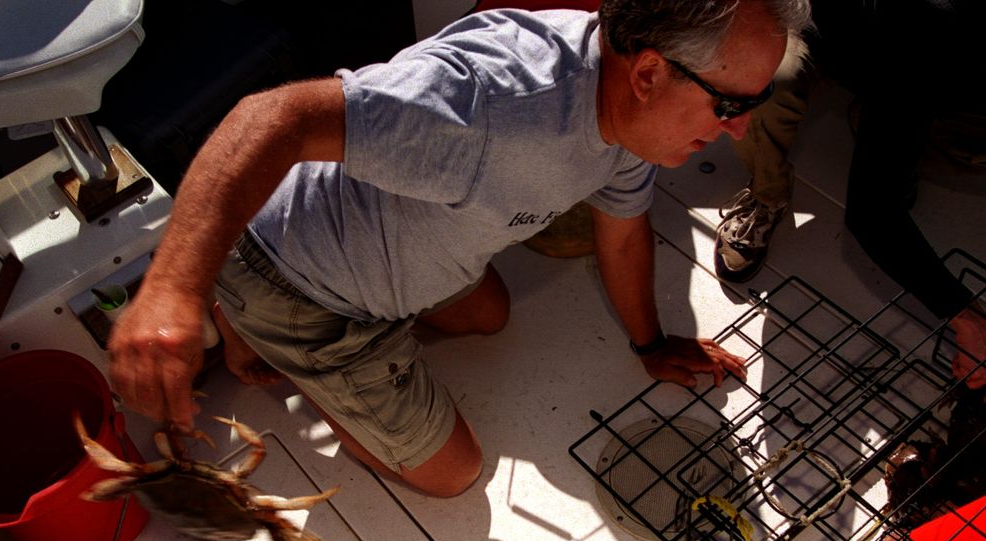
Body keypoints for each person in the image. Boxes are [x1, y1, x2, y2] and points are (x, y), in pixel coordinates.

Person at [108, 0, 811, 498]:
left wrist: (650, 343)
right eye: (730, 106)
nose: (742, 131)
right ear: (650, 73)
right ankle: (278, 344)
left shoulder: (634, 116)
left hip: (385, 241)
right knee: (453, 473)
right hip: (297, 281)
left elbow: (623, 231)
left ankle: (256, 334)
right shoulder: (484, 104)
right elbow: (273, 118)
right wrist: (174, 286)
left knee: (490, 315)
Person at [712, 0, 986, 403]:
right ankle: (767, 193)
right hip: (813, 18)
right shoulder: (940, 29)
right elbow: (871, 214)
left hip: (905, 60)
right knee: (762, 89)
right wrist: (967, 319)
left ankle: (893, 126)